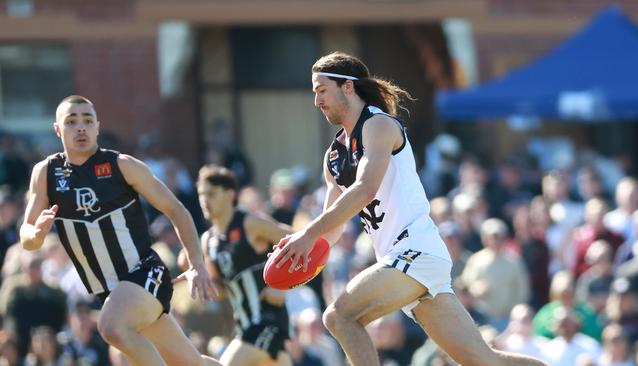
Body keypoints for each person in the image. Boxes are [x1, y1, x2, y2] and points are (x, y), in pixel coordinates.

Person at [272, 52, 547, 366]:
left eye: (321, 90)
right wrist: (301, 248)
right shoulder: (333, 156)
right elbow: (331, 227)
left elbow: (365, 189)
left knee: (339, 317)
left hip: (414, 251)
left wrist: (307, 235)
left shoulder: (378, 125)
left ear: (348, 87)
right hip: (406, 260)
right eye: (314, 92)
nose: (317, 100)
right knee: (486, 361)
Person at [19, 95, 222, 366]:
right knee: (191, 363)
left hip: (145, 273)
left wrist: (197, 263)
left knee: (111, 328)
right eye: (71, 121)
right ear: (57, 129)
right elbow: (27, 237)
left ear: (98, 127)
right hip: (113, 291)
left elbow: (177, 210)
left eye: (88, 120)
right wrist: (37, 234)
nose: (81, 127)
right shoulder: (45, 173)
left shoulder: (122, 165)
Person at [189, 164, 293, 365]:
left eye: (211, 194)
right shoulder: (208, 241)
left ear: (229, 195)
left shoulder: (249, 223)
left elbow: (301, 243)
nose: (204, 200)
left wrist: (282, 288)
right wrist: (196, 274)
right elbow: (219, 291)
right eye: (201, 195)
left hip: (267, 321)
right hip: (243, 327)